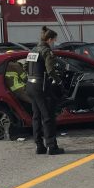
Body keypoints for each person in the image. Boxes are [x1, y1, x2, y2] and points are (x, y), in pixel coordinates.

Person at [23, 26, 64, 155]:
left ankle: (39, 146)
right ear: (49, 39)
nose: (54, 43)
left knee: (36, 117)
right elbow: (51, 70)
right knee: (48, 117)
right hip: (41, 87)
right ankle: (52, 147)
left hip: (30, 86)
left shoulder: (33, 50)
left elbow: (25, 66)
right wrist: (59, 81)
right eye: (54, 41)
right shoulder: (46, 51)